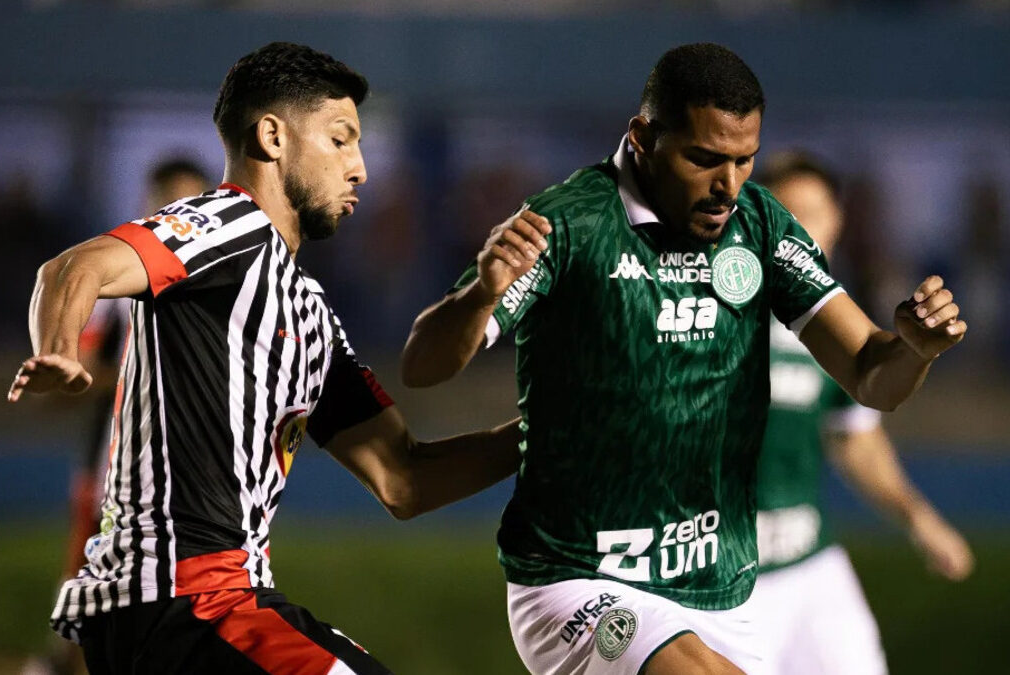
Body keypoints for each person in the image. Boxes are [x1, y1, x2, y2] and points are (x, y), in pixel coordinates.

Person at [400, 43, 967, 674]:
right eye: (705, 159)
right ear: (643, 137)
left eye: (744, 160)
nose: (728, 185)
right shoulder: (570, 224)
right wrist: (480, 295)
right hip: (580, 579)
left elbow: (870, 376)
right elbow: (423, 365)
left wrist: (914, 350)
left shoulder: (760, 225)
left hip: (721, 591)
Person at [7, 42, 522, 675]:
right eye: (341, 140)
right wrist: (60, 352)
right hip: (179, 601)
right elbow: (73, 268)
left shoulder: (308, 310)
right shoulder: (224, 224)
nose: (360, 169)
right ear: (273, 137)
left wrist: (544, 432)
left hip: (222, 602)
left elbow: (402, 479)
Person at [746, 151, 974, 675]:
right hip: (720, 578)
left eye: (813, 215)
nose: (799, 231)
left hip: (809, 565)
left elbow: (856, 435)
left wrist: (918, 516)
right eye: (786, 216)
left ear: (837, 221)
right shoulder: (710, 310)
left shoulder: (833, 322)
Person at [20, 159, 211, 675]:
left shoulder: (221, 283)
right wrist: (128, 373)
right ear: (147, 207)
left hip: (195, 472)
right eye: (168, 203)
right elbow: (71, 372)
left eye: (191, 204)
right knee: (92, 600)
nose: (179, 216)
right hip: (117, 462)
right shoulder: (115, 285)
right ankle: (60, 661)